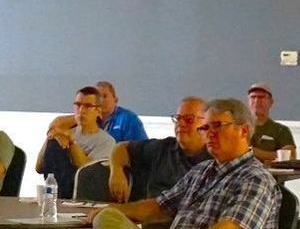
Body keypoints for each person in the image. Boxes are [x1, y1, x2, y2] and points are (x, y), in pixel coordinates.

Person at [91, 98, 281, 229]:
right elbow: (159, 207)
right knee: (107, 218)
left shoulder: (256, 179)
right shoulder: (202, 171)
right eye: (206, 128)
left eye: (217, 126)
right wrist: (106, 210)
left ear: (244, 131)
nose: (210, 134)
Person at [108, 97, 210, 202]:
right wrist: (116, 171)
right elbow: (121, 148)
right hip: (147, 210)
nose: (181, 124)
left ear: (207, 124)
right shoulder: (163, 148)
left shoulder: (214, 160)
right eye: (178, 118)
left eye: (189, 119)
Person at [37, 86, 119, 185]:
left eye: (88, 106)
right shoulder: (64, 133)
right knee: (54, 144)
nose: (81, 110)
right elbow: (39, 168)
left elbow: (88, 171)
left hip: (83, 189)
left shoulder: (106, 141)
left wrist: (71, 142)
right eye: (78, 105)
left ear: (98, 111)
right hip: (53, 188)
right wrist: (51, 137)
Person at [246, 84, 295, 164]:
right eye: (253, 97)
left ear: (271, 102)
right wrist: (274, 155)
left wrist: (253, 152)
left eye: (261, 97)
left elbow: (289, 156)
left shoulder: (281, 130)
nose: (256, 101)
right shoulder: (238, 127)